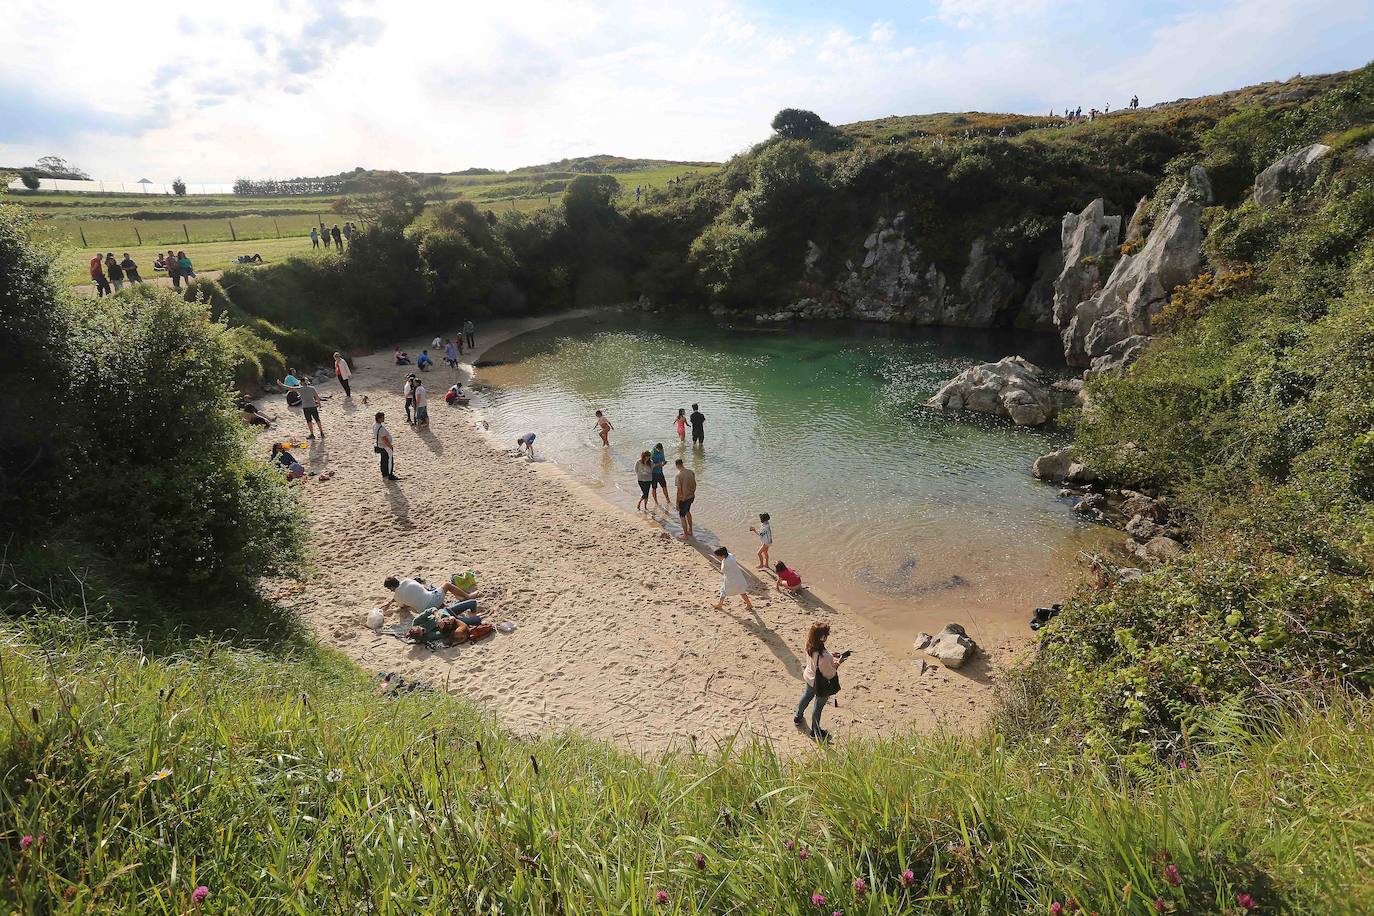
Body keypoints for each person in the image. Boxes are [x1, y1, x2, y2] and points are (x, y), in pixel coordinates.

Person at [796, 621, 847, 741]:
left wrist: (830, 654)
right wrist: (837, 663)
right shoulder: (824, 657)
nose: (827, 636)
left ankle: (798, 717)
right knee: (817, 707)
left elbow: (819, 658)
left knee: (806, 696)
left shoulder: (810, 645)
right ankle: (815, 731)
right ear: (822, 637)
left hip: (809, 677)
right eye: (826, 635)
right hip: (819, 684)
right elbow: (829, 674)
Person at [380, 575, 478, 617]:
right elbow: (420, 588)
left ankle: (452, 606)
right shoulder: (407, 580)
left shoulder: (397, 596)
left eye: (390, 589)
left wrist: (392, 602)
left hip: (425, 611)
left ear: (392, 587)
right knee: (446, 585)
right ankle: (468, 597)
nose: (390, 590)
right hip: (433, 600)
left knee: (428, 596)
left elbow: (403, 606)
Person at [711, 546, 752, 611]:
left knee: (723, 591)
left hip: (731, 580)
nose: (717, 557)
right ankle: (749, 604)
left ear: (723, 555)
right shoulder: (730, 556)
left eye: (718, 556)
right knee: (742, 591)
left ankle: (720, 605)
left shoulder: (725, 563)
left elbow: (723, 570)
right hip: (739, 577)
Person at [674, 458, 697, 539]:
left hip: (683, 499)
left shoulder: (678, 476)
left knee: (682, 516)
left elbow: (679, 490)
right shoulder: (691, 472)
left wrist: (677, 502)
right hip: (691, 496)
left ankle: (685, 534)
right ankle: (690, 530)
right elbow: (695, 484)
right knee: (688, 512)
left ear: (676, 465)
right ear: (682, 464)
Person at [373, 412, 399, 480]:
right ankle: (390, 474)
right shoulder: (380, 428)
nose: (384, 419)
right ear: (379, 418)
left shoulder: (374, 425)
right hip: (385, 446)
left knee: (383, 460)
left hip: (380, 445)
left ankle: (384, 474)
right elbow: (384, 439)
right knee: (389, 460)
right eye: (382, 417)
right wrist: (390, 446)